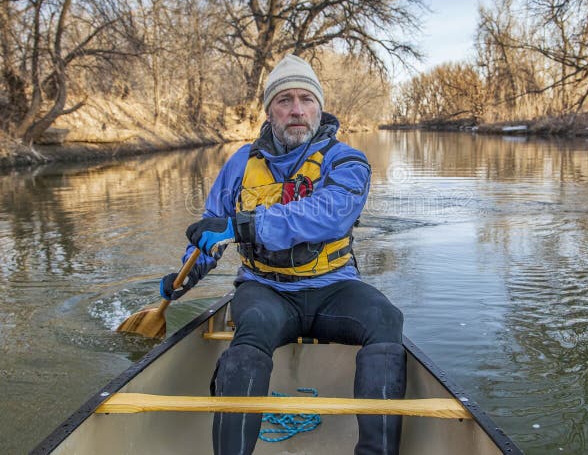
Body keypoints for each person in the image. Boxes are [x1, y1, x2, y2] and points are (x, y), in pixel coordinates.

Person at [158, 54, 406, 455]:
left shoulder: (347, 160)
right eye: (285, 100)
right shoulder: (239, 163)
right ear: (270, 111)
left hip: (334, 286)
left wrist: (244, 226)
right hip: (265, 289)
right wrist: (190, 272)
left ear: (319, 108)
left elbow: (332, 213)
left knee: (386, 319)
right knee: (250, 328)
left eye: (306, 99)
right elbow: (212, 226)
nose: (296, 110)